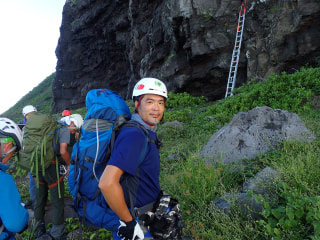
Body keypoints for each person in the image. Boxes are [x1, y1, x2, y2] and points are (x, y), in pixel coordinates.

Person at [99, 78, 167, 240]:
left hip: (144, 216)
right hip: (134, 221)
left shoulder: (145, 132)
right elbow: (107, 183)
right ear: (137, 104)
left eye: (161, 102)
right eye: (149, 101)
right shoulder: (134, 135)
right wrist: (129, 223)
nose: (156, 108)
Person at [25, 110, 83, 240]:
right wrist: (70, 165)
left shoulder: (51, 126)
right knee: (57, 200)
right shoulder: (63, 129)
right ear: (72, 122)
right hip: (51, 167)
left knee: (40, 198)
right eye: (75, 128)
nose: (73, 132)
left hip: (37, 165)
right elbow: (63, 151)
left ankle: (37, 228)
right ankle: (57, 232)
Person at [0, 118, 29, 240]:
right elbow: (16, 224)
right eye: (14, 151)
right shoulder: (3, 179)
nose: (12, 155)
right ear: (7, 146)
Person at [22, 105, 38, 208]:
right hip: (32, 160)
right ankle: (37, 203)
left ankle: (40, 202)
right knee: (33, 183)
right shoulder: (24, 129)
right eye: (28, 115)